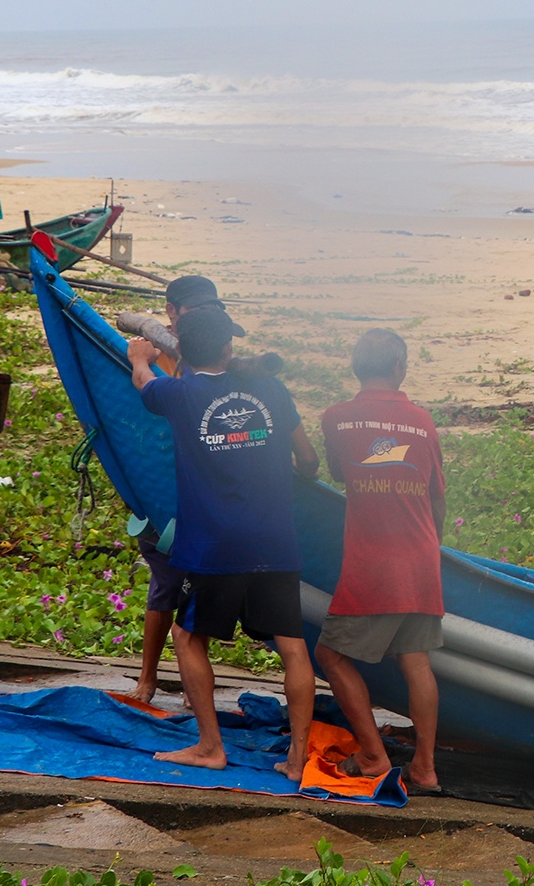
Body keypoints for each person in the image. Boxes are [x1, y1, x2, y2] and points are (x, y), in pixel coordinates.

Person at [127, 305, 318, 778]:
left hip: (214, 546)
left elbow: (144, 382)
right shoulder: (270, 388)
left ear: (183, 352)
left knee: (188, 636)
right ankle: (297, 759)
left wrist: (138, 355)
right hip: (274, 539)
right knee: (293, 646)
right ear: (230, 346)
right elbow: (309, 460)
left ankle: (211, 747)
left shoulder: (181, 392)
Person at [313, 328, 447, 793]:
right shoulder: (423, 421)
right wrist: (432, 549)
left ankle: (372, 755)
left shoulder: (337, 418)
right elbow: (436, 497)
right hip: (421, 555)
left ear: (356, 368)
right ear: (399, 368)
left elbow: (336, 471)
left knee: (330, 654)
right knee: (416, 661)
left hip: (373, 561)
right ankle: (425, 769)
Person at [131, 274, 245, 704]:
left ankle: (192, 688)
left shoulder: (216, 359)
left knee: (197, 597)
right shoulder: (167, 355)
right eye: (193, 310)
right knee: (163, 581)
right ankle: (147, 679)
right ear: (173, 314)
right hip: (165, 485)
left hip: (207, 492)